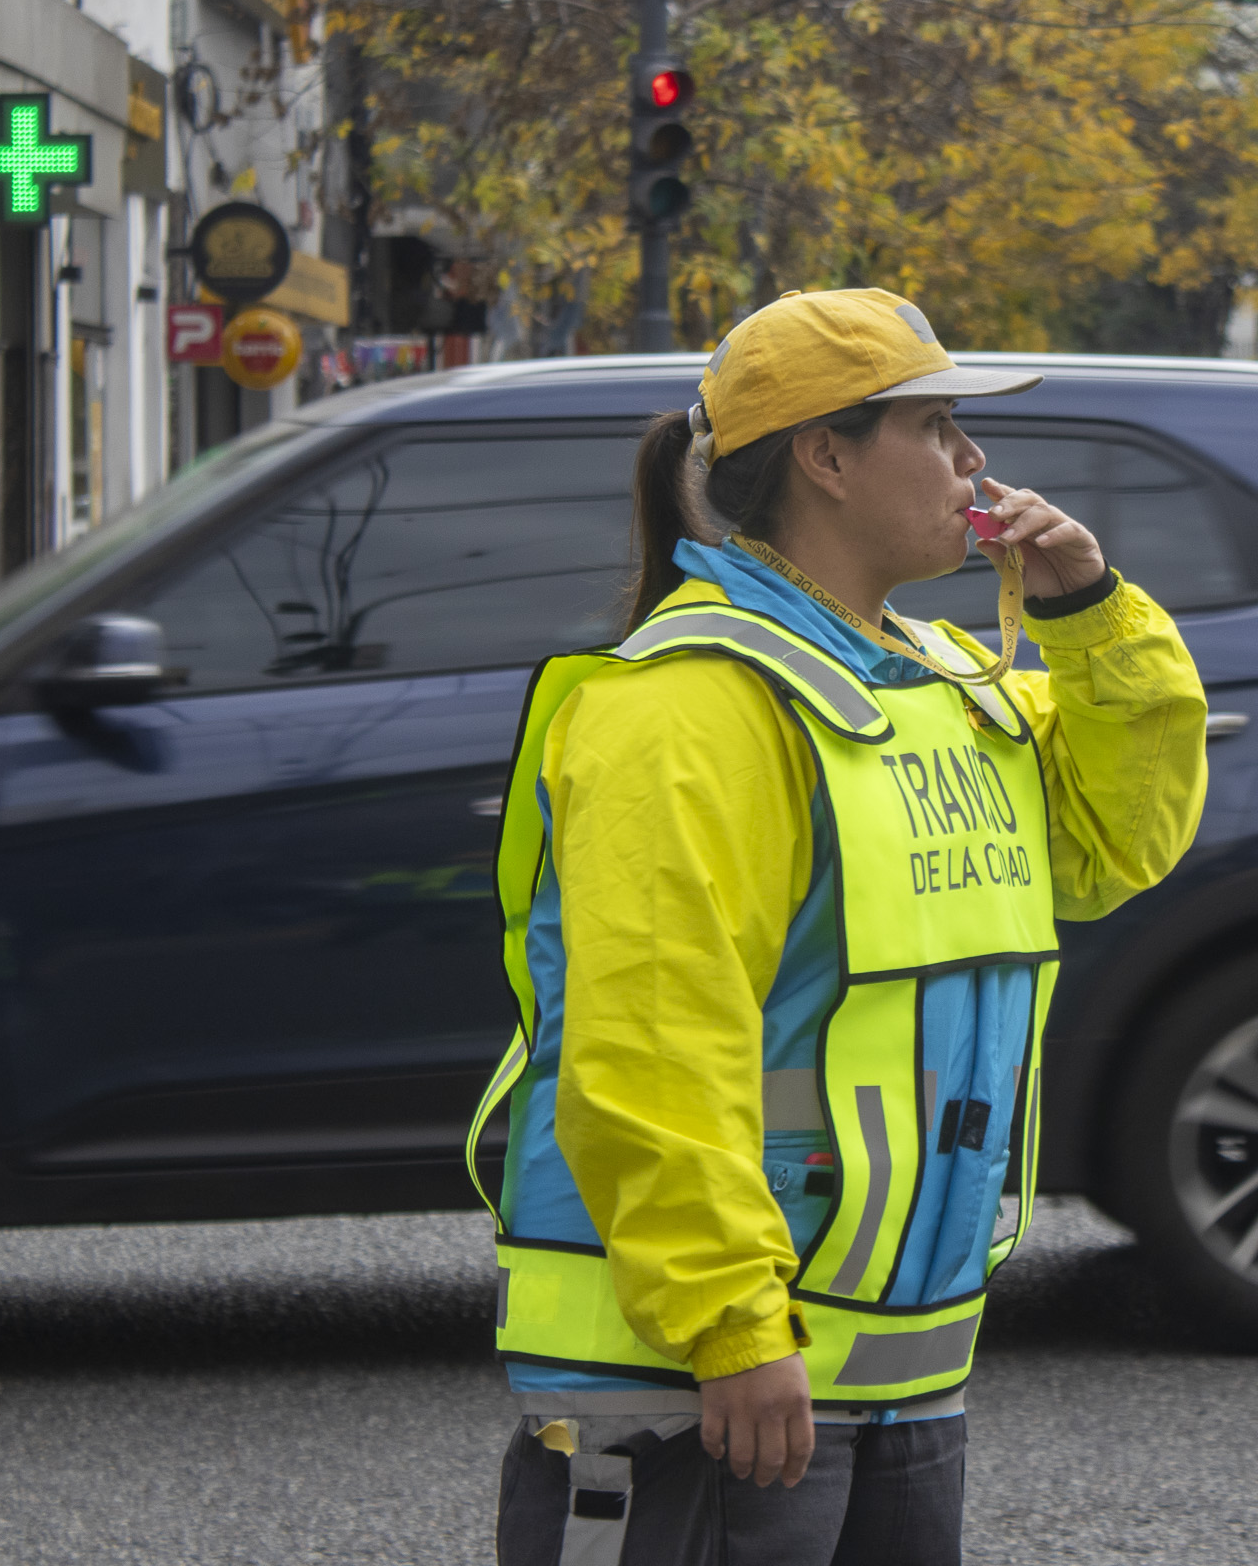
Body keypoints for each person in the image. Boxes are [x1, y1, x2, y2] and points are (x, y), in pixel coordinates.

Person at [466, 288, 1209, 1564]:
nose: (973, 458)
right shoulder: (690, 703)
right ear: (826, 454)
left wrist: (1087, 610)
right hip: (696, 1378)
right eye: (935, 425)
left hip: (891, 1367)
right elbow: (649, 1040)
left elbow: (1112, 843)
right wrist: (731, 1323)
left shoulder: (938, 681)